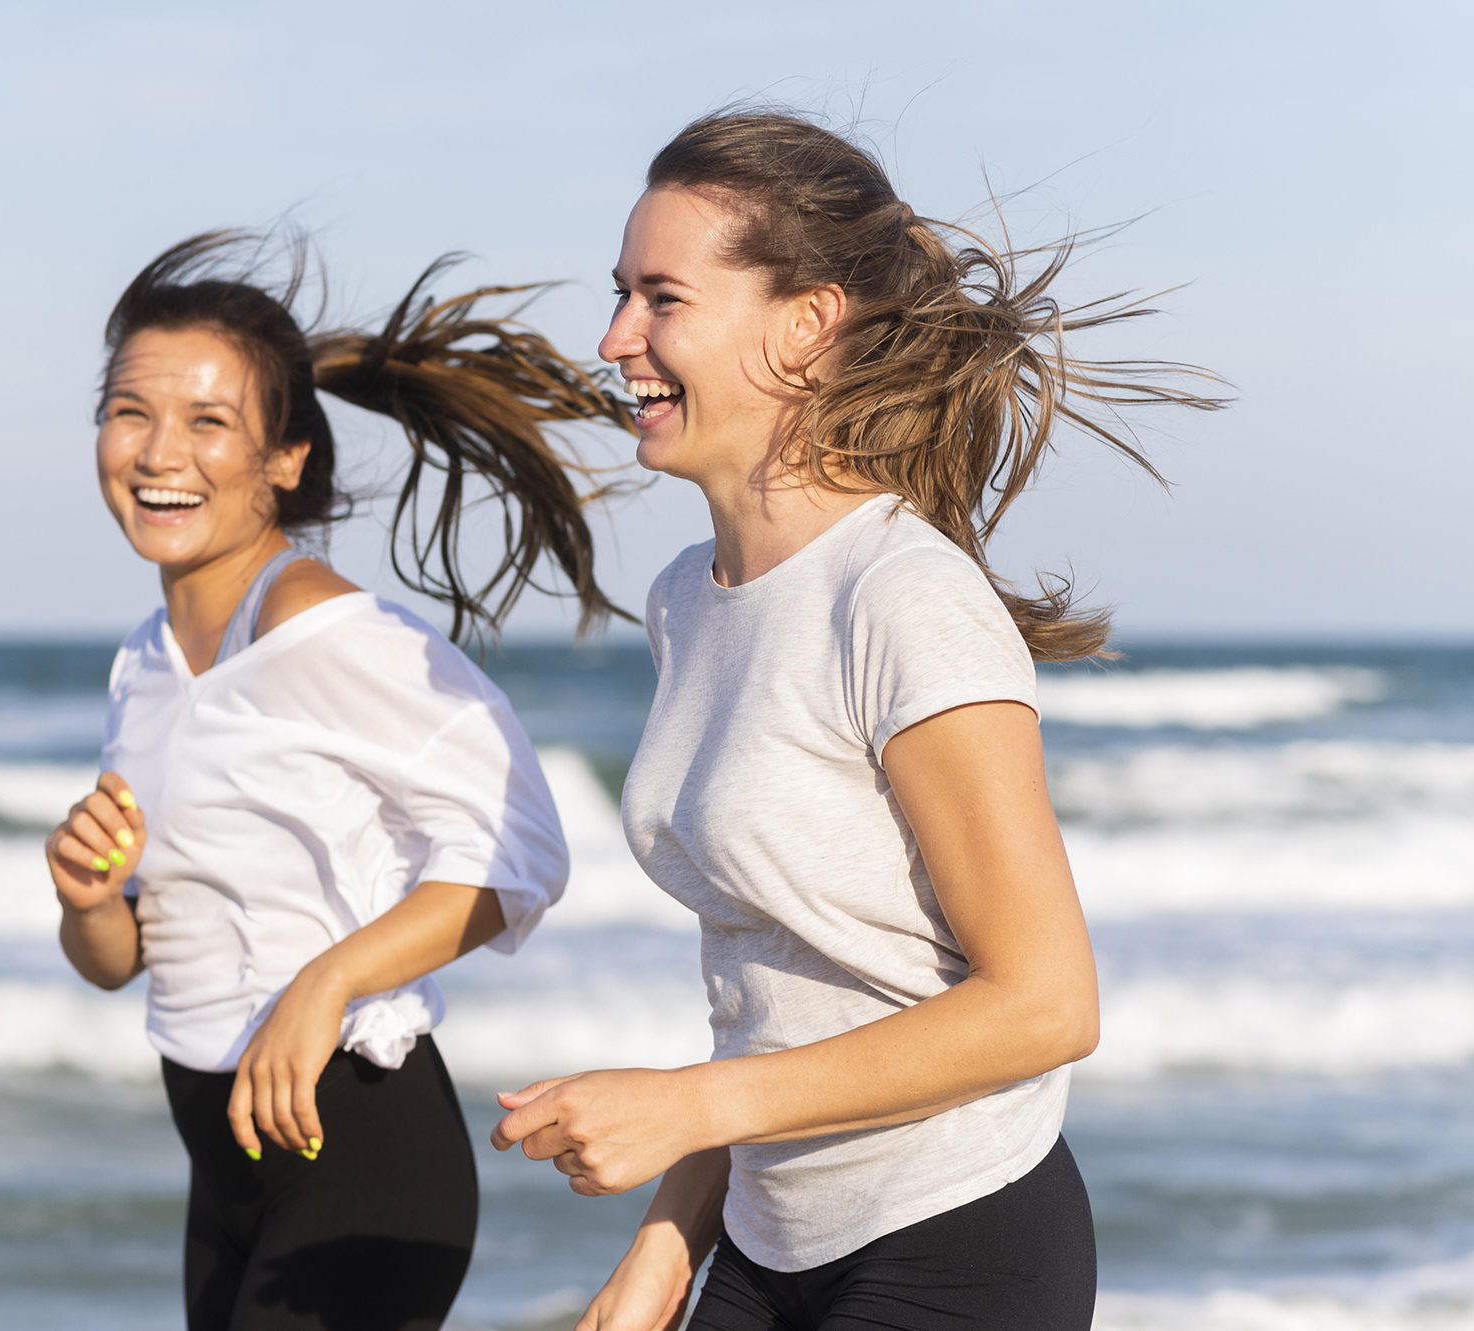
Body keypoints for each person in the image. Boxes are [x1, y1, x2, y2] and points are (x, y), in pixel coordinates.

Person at [489, 110, 1223, 1331]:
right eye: (619, 294)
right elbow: (771, 979)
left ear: (805, 324)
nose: (615, 338)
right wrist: (665, 1246)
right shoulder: (687, 596)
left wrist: (684, 1103)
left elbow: (1046, 1002)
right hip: (767, 1238)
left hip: (955, 1240)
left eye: (660, 298)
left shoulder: (901, 597)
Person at [43, 231, 632, 1331]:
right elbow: (121, 960)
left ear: (284, 461)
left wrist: (324, 983)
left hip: (357, 1151)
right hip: (219, 1170)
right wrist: (84, 899)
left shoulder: (326, 630)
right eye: (130, 411)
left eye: (208, 421)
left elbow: (523, 853)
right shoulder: (145, 661)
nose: (157, 450)